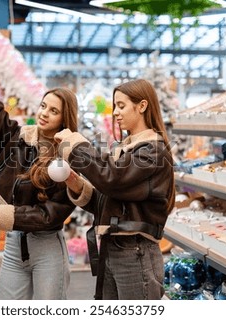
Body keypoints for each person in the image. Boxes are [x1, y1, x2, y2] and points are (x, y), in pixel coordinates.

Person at [0, 55, 78, 300]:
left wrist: (13, 215)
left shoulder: (68, 155)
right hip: (15, 244)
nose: (44, 113)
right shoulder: (18, 138)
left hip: (48, 248)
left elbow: (54, 212)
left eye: (54, 110)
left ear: (64, 117)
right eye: (43, 106)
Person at [54, 79, 175, 300]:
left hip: (135, 250)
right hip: (114, 247)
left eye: (121, 105)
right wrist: (77, 184)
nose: (116, 113)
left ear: (142, 106)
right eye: (115, 106)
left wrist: (76, 145)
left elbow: (112, 178)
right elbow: (108, 197)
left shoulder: (152, 151)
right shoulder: (125, 150)